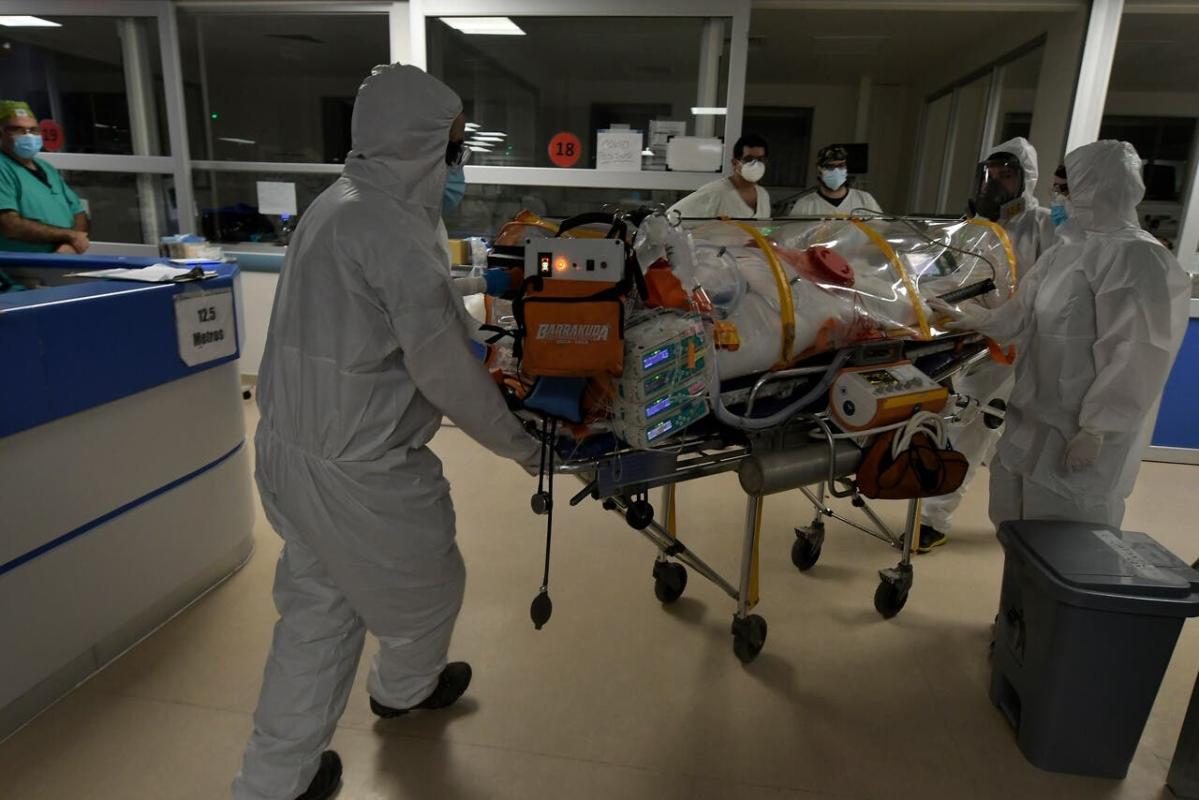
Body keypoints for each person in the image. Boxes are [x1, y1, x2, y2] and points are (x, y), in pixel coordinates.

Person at [233, 64, 541, 800]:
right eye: (454, 146)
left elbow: (386, 303)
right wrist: (528, 447)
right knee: (430, 587)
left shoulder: (343, 202)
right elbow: (444, 368)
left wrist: (476, 284)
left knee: (320, 607)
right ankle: (404, 689)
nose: (458, 162)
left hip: (291, 446)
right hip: (358, 468)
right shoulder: (391, 228)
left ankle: (274, 782)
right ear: (418, 142)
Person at [932, 139, 1190, 531]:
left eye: (1065, 190)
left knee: (1068, 539)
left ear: (1100, 189)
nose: (1057, 199)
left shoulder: (1139, 258)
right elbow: (1019, 316)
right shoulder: (1065, 250)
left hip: (1079, 432)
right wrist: (974, 319)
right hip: (1031, 418)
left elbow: (1138, 355)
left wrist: (1097, 428)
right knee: (1015, 527)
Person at [916, 137, 1057, 553]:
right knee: (969, 425)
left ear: (1026, 180)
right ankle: (934, 517)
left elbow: (1053, 290)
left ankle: (1017, 523)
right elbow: (943, 276)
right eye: (989, 175)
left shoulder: (1044, 226)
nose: (994, 184)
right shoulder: (973, 228)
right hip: (980, 343)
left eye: (1005, 176)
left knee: (1008, 436)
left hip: (1028, 348)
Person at [0, 100, 90, 253]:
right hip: (20, 263)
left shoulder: (46, 168)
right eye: (17, 130)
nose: (28, 136)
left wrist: (71, 244)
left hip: (60, 259)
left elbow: (79, 212)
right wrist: (69, 235)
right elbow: (9, 225)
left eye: (33, 130)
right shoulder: (3, 168)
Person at [668, 134, 771, 220]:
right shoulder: (715, 192)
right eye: (749, 159)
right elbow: (671, 217)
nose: (756, 165)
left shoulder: (763, 196)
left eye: (760, 160)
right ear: (735, 163)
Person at [787, 144, 881, 217]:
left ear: (846, 168)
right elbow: (794, 234)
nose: (836, 171)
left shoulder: (864, 200)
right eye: (830, 167)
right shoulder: (804, 205)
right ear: (819, 169)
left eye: (841, 166)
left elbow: (880, 230)